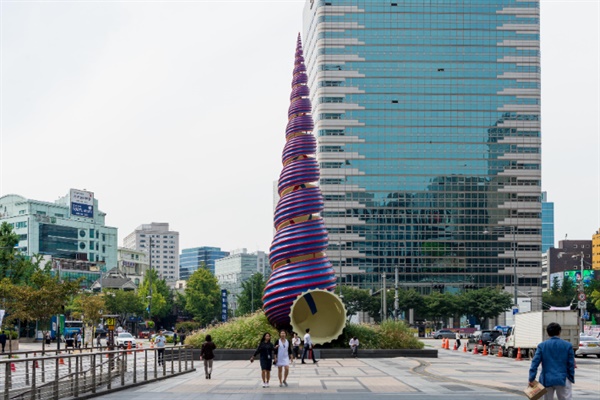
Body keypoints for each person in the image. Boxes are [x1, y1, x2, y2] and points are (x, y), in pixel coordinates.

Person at [528, 322, 575, 400]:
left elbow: (534, 363)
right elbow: (571, 364)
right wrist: (571, 378)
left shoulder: (542, 346)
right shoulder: (568, 345)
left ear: (548, 333)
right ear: (559, 332)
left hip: (546, 379)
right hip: (563, 378)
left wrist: (531, 378)